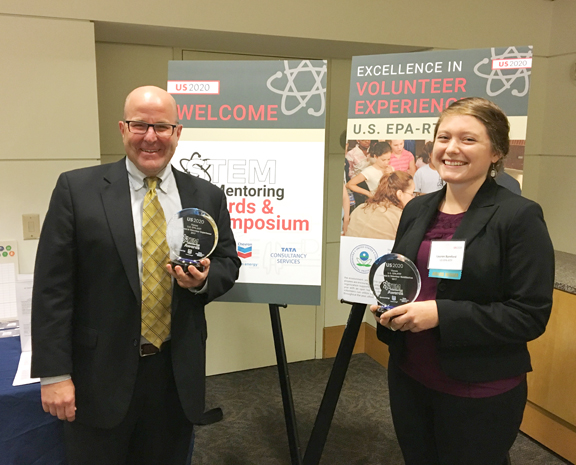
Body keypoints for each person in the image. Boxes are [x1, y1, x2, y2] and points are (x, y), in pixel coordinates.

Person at [31, 86, 241, 465]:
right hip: (99, 375)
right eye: (139, 125)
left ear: (177, 132)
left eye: (161, 126)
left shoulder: (207, 195)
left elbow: (228, 261)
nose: (150, 137)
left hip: (175, 375)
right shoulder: (77, 190)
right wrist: (53, 374)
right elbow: (52, 288)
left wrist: (203, 281)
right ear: (122, 129)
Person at [371, 98, 554, 465]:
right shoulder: (417, 209)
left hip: (478, 388)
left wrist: (441, 314)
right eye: (444, 137)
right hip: (410, 375)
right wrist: (390, 305)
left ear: (497, 152)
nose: (452, 148)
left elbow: (529, 315)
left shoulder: (518, 216)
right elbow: (406, 276)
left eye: (468, 140)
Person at [346, 171, 414, 239]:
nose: (414, 197)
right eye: (412, 193)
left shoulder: (359, 209)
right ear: (400, 194)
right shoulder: (401, 218)